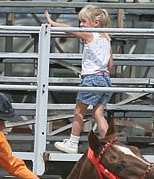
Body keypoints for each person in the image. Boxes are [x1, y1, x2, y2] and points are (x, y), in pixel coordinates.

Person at [45, 6, 114, 154]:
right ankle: (109, 145)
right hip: (105, 79)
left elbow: (69, 29)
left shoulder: (91, 35)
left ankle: (73, 143)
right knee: (98, 114)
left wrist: (52, 22)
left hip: (92, 79)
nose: (81, 25)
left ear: (96, 23)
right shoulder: (106, 38)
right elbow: (110, 64)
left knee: (78, 112)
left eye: (84, 21)